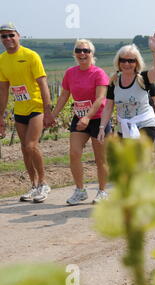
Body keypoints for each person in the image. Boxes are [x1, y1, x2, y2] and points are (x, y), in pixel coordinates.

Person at [52, 39, 110, 205]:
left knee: (100, 158)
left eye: (86, 51)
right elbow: (64, 96)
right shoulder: (70, 73)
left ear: (92, 54)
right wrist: (53, 115)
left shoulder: (99, 73)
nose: (82, 53)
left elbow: (100, 99)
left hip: (98, 119)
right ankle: (80, 190)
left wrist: (87, 117)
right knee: (74, 153)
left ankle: (102, 191)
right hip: (79, 117)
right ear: (75, 54)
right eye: (79, 50)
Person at [0, 23, 53, 203]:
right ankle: (34, 185)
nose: (7, 39)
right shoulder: (2, 60)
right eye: (4, 36)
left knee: (31, 145)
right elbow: (3, 90)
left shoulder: (31, 56)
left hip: (36, 107)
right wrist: (0, 116)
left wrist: (48, 110)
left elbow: (43, 83)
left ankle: (44, 183)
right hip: (20, 110)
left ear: (18, 35)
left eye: (10, 35)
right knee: (24, 148)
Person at [98, 31, 155, 148]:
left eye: (131, 61)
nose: (126, 63)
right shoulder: (114, 82)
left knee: (138, 157)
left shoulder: (143, 78)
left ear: (136, 63)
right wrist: (102, 128)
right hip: (124, 126)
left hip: (146, 124)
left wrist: (154, 50)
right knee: (127, 163)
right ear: (118, 62)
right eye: (123, 60)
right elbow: (108, 107)